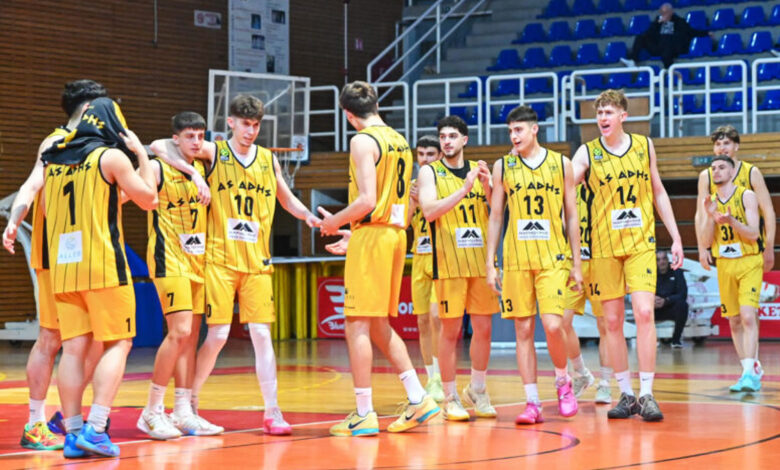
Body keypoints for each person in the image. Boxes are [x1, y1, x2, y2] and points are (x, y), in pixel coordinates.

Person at [151, 94, 320, 436]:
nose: (250, 131)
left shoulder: (268, 159)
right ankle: (189, 404)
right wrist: (194, 174)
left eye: (255, 125)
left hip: (257, 261)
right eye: (245, 124)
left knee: (262, 334)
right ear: (230, 123)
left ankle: (272, 411)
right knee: (217, 336)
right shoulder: (215, 151)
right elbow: (158, 145)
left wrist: (309, 217)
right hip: (219, 260)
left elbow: (286, 198)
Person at [318, 81, 439, 436]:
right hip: (394, 234)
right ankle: (418, 399)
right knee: (377, 324)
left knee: (355, 323)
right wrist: (356, 234)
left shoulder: (362, 140)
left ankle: (363, 412)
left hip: (374, 235)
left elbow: (368, 200)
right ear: (376, 105)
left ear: (347, 115)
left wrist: (334, 222)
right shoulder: (399, 140)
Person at [42, 97, 158, 458]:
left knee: (73, 349)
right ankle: (96, 427)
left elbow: (52, 208)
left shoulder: (54, 161)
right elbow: (150, 199)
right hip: (103, 265)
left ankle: (73, 433)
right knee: (119, 343)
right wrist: (141, 156)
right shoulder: (111, 157)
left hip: (65, 267)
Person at [2, 80, 108, 451]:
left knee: (99, 339)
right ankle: (35, 422)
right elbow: (32, 184)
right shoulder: (55, 142)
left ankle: (67, 412)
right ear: (89, 107)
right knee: (51, 337)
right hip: (58, 254)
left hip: (90, 255)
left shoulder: (100, 144)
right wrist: (15, 218)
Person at [571, 89, 684, 422]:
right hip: (604, 248)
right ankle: (626, 393)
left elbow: (658, 191)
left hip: (640, 244)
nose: (602, 118)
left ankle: (647, 393)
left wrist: (676, 236)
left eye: (608, 112)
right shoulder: (587, 152)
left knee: (645, 313)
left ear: (623, 116)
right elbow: (562, 184)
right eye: (599, 113)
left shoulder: (644, 145)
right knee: (612, 322)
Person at [485, 105, 582, 424]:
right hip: (516, 259)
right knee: (523, 329)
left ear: (534, 129)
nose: (513, 136)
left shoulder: (561, 163)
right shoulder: (503, 166)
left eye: (519, 130)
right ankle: (532, 402)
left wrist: (577, 262)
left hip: (553, 257)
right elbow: (496, 216)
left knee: (553, 325)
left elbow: (572, 215)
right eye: (510, 131)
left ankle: (563, 381)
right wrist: (490, 262)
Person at [136, 112, 222, 440]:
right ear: (176, 138)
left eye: (201, 135)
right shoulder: (158, 167)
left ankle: (183, 411)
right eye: (189, 136)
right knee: (180, 331)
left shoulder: (204, 165)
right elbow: (155, 146)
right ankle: (151, 410)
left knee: (191, 336)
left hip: (197, 261)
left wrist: (196, 172)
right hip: (167, 259)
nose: (197, 142)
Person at [417, 115, 499, 421]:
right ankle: (450, 396)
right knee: (449, 331)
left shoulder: (478, 170)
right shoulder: (430, 172)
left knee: (484, 329)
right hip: (449, 263)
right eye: (442, 136)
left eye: (452, 136)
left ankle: (478, 389)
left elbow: (497, 211)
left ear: (464, 140)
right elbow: (429, 211)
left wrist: (489, 187)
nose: (446, 141)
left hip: (479, 262)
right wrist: (464, 189)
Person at [694, 125, 774, 383]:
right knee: (737, 317)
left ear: (736, 146)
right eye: (718, 145)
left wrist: (769, 245)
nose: (722, 148)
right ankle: (750, 365)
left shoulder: (751, 173)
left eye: (726, 143)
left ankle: (752, 364)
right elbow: (700, 214)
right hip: (725, 254)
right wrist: (702, 247)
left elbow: (768, 212)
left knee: (749, 313)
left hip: (749, 249)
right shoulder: (708, 176)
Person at [703, 156, 763, 392]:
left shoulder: (747, 195)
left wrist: (731, 221)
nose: (716, 171)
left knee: (748, 316)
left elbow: (753, 234)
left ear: (732, 171)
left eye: (721, 167)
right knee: (734, 320)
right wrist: (711, 217)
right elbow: (706, 241)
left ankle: (749, 373)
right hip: (725, 263)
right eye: (713, 168)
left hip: (749, 261)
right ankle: (747, 370)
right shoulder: (711, 201)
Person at [562, 183, 611, 404]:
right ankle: (582, 372)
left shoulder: (604, 188)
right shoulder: (567, 191)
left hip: (601, 262)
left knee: (605, 324)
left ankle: (606, 384)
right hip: (573, 263)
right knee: (561, 322)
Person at [408, 135, 445, 402]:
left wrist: (423, 202)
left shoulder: (445, 182)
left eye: (430, 154)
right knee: (422, 321)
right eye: (421, 154)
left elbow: (441, 215)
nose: (425, 159)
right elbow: (402, 222)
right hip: (419, 257)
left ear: (439, 156)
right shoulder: (411, 186)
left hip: (441, 257)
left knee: (436, 317)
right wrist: (412, 203)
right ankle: (431, 377)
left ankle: (441, 377)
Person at [620, 2, 710, 69]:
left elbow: (691, 32)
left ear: (671, 12)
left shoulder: (679, 21)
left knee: (667, 39)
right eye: (662, 13)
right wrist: (657, 24)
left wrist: (706, 33)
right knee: (640, 37)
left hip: (673, 47)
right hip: (659, 46)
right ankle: (633, 60)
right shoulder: (657, 22)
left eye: (665, 12)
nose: (663, 15)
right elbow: (648, 34)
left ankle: (669, 69)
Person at [654, 250, 689, 349]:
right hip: (655, 308)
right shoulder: (650, 273)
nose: (662, 262)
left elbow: (683, 294)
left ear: (668, 259)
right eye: (658, 260)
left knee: (683, 305)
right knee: (644, 306)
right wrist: (651, 299)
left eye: (664, 258)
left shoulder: (677, 271)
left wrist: (666, 300)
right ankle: (652, 340)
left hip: (671, 307)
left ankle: (676, 340)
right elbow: (644, 292)